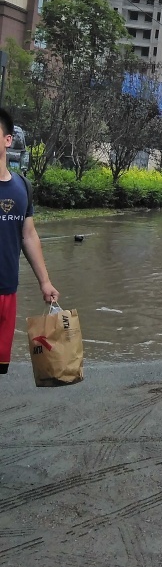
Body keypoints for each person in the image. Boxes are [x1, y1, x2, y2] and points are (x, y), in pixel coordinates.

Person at [0, 108, 58, 374]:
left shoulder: (22, 187)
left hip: (7, 292)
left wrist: (45, 282)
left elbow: (28, 235)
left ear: (7, 140)